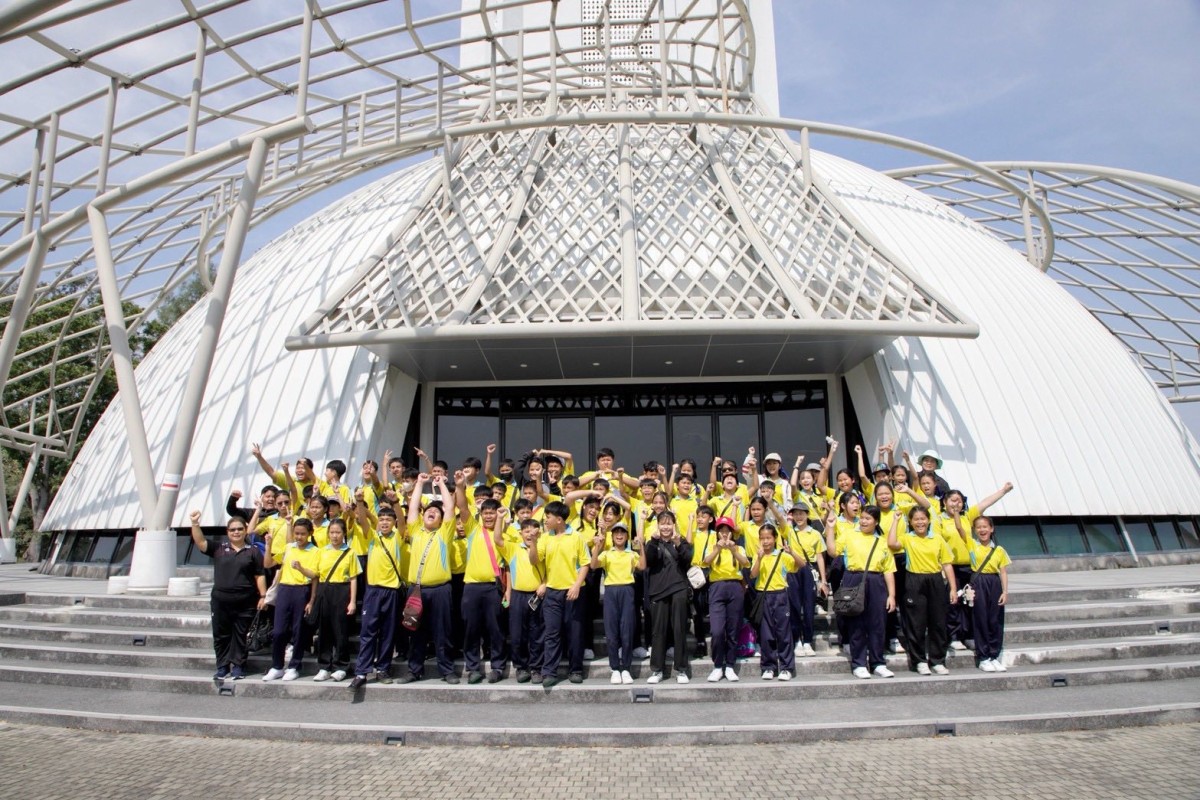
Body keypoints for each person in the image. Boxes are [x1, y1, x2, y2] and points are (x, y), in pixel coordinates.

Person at [190, 511, 266, 680]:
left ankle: (239, 666)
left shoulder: (253, 551)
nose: (236, 532)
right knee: (221, 635)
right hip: (221, 600)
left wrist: (263, 596)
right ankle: (222, 666)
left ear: (245, 530)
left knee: (241, 634)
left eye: (239, 529)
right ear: (227, 532)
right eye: (232, 530)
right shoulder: (219, 548)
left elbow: (259, 575)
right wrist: (195, 523)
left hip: (246, 600)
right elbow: (201, 542)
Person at [826, 504, 896, 679]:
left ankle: (878, 662)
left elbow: (888, 570)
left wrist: (892, 595)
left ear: (876, 521)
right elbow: (833, 551)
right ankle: (859, 663)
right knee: (856, 622)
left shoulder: (881, 541)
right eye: (862, 518)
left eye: (868, 519)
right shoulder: (849, 535)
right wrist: (830, 528)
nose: (863, 521)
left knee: (877, 623)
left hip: (876, 581)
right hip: (853, 578)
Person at [401, 473, 458, 684]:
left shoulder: (444, 534)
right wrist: (419, 484)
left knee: (443, 632)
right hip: (416, 590)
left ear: (442, 520)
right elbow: (413, 508)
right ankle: (414, 670)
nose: (432, 512)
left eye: (437, 512)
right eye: (429, 511)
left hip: (440, 590)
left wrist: (441, 483)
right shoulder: (416, 531)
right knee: (415, 630)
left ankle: (447, 671)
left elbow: (449, 508)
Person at [888, 506, 955, 676]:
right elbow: (892, 543)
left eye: (923, 519)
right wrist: (895, 521)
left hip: (935, 580)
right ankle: (919, 661)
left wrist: (953, 588)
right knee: (916, 624)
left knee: (938, 622)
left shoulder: (937, 538)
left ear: (928, 520)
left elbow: (947, 564)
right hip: (914, 580)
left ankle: (937, 660)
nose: (920, 522)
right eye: (916, 519)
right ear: (910, 522)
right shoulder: (908, 538)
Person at [531, 500, 591, 686]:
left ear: (559, 519)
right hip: (552, 593)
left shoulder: (576, 537)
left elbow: (585, 564)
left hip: (573, 592)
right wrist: (533, 542)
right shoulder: (545, 538)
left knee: (575, 633)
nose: (545, 520)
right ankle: (549, 672)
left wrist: (576, 585)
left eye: (548, 517)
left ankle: (576, 670)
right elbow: (534, 560)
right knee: (552, 633)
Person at [348, 506, 404, 691]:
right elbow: (363, 520)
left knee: (388, 633)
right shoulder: (372, 536)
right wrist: (360, 501)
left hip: (392, 591)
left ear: (394, 522)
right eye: (382, 519)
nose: (385, 522)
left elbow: (403, 521)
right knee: (368, 632)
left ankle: (383, 669)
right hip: (373, 591)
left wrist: (395, 503)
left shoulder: (398, 537)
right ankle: (361, 672)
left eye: (389, 519)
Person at [262, 517, 320, 681]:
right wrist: (268, 545)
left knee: (299, 631)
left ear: (310, 533)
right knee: (279, 631)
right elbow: (268, 564)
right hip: (285, 589)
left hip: (302, 590)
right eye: (297, 533)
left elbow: (315, 576)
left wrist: (311, 600)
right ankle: (277, 666)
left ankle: (294, 666)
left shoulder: (315, 551)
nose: (299, 537)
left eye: (302, 534)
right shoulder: (289, 547)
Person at [640, 509, 693, 683]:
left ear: (674, 525)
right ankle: (657, 670)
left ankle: (682, 670)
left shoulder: (681, 541)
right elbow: (649, 560)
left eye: (669, 523)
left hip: (679, 589)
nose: (665, 527)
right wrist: (654, 541)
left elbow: (687, 559)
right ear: (657, 525)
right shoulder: (652, 542)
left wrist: (679, 544)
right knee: (658, 631)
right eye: (662, 524)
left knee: (679, 629)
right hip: (658, 591)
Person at [957, 514, 1012, 672]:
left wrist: (1005, 592)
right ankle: (983, 657)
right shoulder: (972, 544)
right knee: (980, 619)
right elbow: (959, 528)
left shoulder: (999, 550)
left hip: (994, 583)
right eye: (978, 527)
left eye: (985, 527)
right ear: (975, 530)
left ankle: (994, 655)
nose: (982, 530)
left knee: (995, 620)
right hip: (978, 582)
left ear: (991, 529)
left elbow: (1003, 572)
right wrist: (956, 512)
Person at [751, 523, 804, 681]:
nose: (765, 541)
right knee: (766, 633)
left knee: (783, 633)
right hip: (764, 595)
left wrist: (792, 552)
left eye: (768, 538)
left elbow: (801, 565)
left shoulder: (782, 556)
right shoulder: (757, 555)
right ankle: (768, 666)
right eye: (762, 538)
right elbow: (753, 574)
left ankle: (786, 667)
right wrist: (759, 558)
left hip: (780, 595)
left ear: (775, 538)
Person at [590, 522, 642, 684]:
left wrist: (641, 547)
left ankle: (626, 668)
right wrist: (597, 547)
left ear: (627, 536)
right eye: (616, 533)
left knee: (627, 630)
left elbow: (642, 566)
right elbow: (593, 565)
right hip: (611, 591)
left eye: (622, 533)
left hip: (627, 590)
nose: (619, 536)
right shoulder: (607, 553)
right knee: (611, 632)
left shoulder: (631, 554)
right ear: (612, 537)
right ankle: (614, 668)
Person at [312, 518, 360, 682]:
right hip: (325, 591)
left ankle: (341, 666)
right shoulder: (321, 552)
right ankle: (324, 666)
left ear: (344, 533)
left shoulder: (350, 552)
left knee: (340, 630)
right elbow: (315, 574)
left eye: (338, 532)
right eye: (332, 532)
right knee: (324, 630)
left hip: (342, 590)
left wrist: (352, 601)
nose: (334, 535)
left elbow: (353, 578)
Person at [501, 518, 547, 683]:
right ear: (520, 533)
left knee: (537, 633)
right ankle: (521, 667)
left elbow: (551, 569)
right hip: (518, 595)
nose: (530, 534)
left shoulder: (543, 548)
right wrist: (500, 519)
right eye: (526, 531)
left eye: (533, 531)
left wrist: (545, 584)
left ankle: (536, 668)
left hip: (537, 596)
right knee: (517, 634)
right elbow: (497, 539)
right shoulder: (514, 548)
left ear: (539, 533)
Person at [704, 516, 749, 681]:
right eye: (721, 531)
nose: (724, 534)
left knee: (733, 629)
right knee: (717, 631)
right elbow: (706, 561)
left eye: (727, 531)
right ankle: (717, 665)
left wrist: (733, 550)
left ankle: (730, 665)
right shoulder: (712, 546)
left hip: (735, 587)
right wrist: (717, 549)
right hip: (717, 587)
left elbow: (745, 563)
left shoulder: (738, 548)